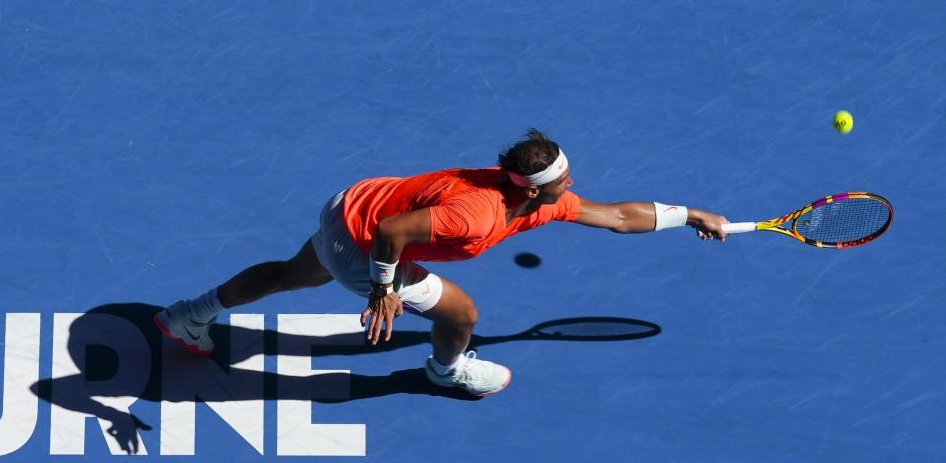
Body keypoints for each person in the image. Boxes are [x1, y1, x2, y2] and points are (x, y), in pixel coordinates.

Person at [153, 129, 731, 397]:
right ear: (533, 191)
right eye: (562, 181)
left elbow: (618, 216)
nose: (573, 186)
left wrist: (692, 214)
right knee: (461, 314)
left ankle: (190, 315)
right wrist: (383, 287)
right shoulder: (477, 215)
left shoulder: (532, 199)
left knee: (288, 273)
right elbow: (393, 233)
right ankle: (445, 371)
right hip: (371, 241)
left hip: (347, 209)